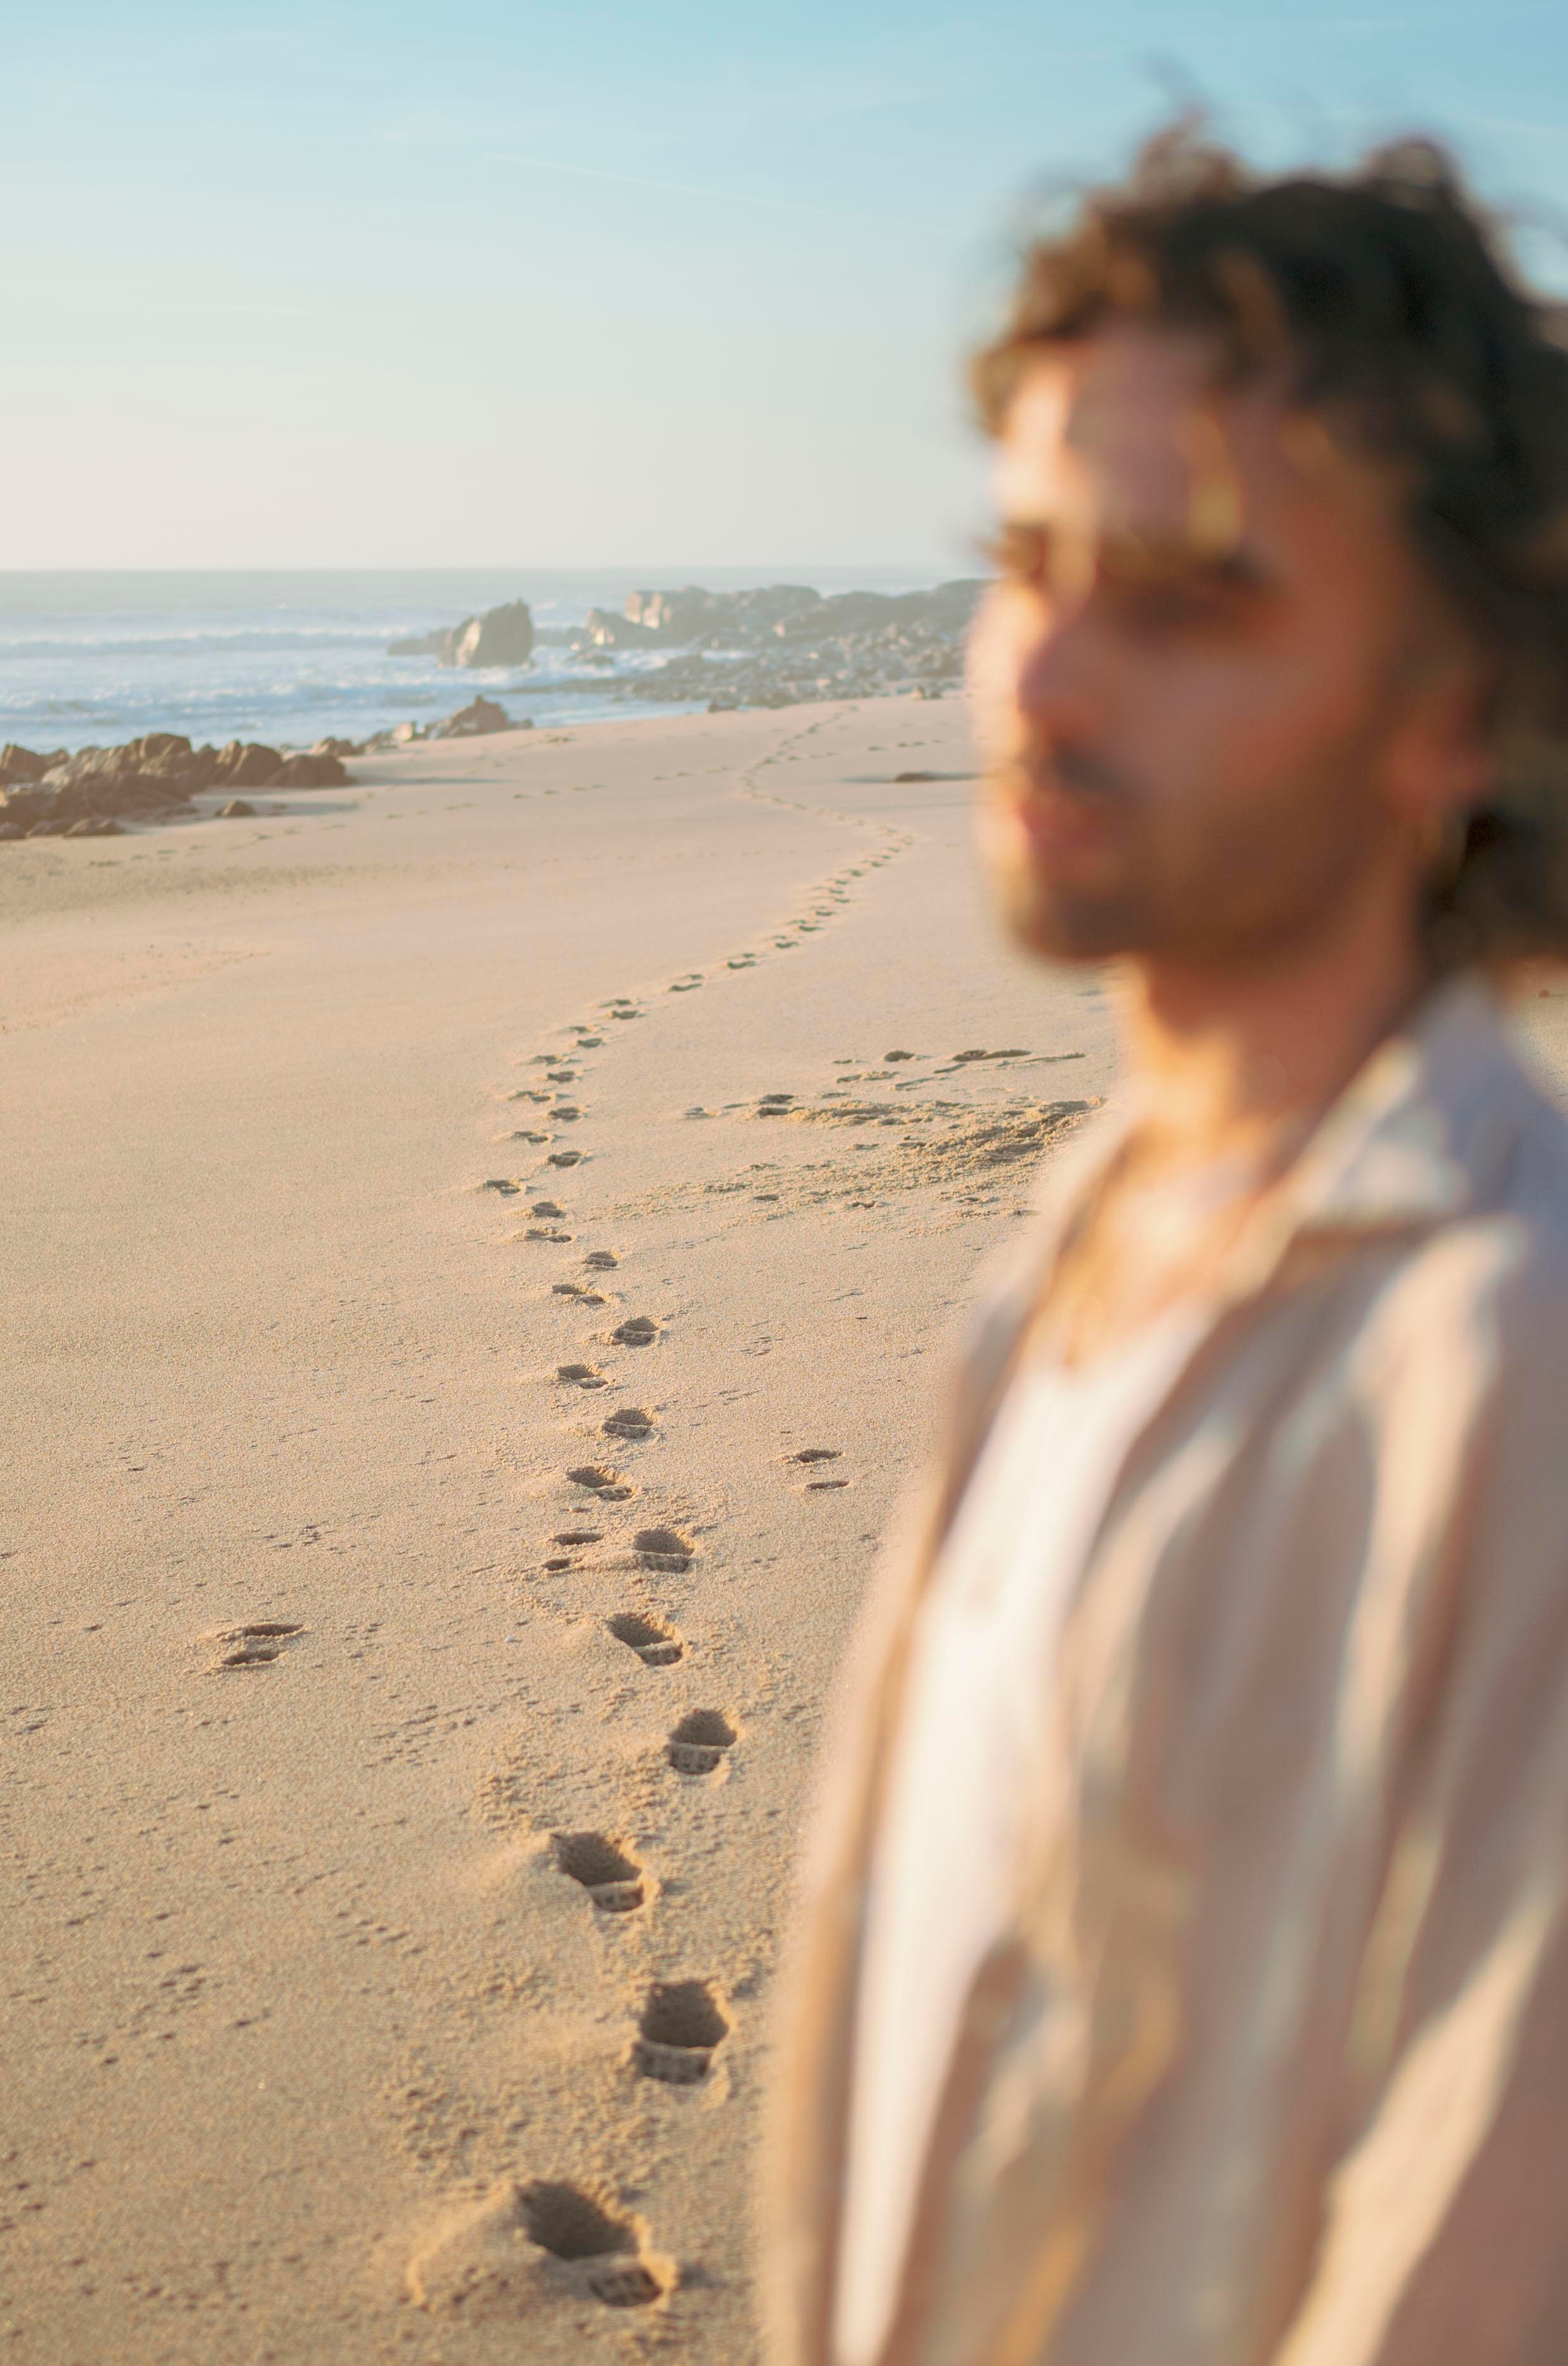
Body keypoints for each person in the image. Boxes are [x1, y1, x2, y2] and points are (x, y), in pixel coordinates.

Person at [766, 128, 1568, 2366]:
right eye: (1025, 562)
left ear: (1453, 710)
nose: (1038, 676)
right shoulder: (1075, 1240)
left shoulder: (1507, 1360)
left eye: (1187, 596)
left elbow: (1466, 2264)